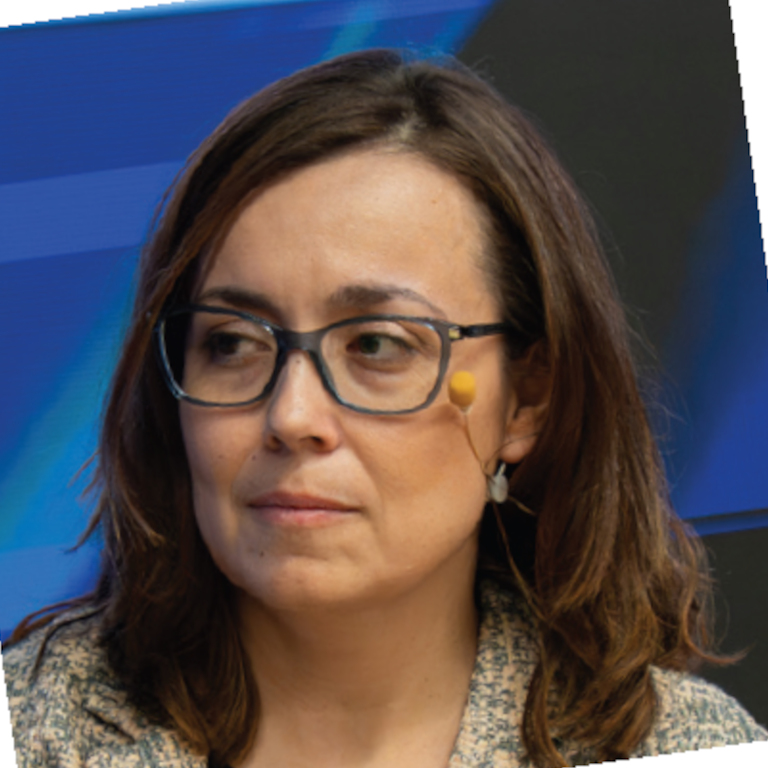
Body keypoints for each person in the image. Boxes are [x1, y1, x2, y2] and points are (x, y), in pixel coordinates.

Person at [2, 48, 766, 768]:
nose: (291, 416)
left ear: (526, 401)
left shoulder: (685, 746)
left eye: (377, 345)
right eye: (233, 343)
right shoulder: (33, 728)